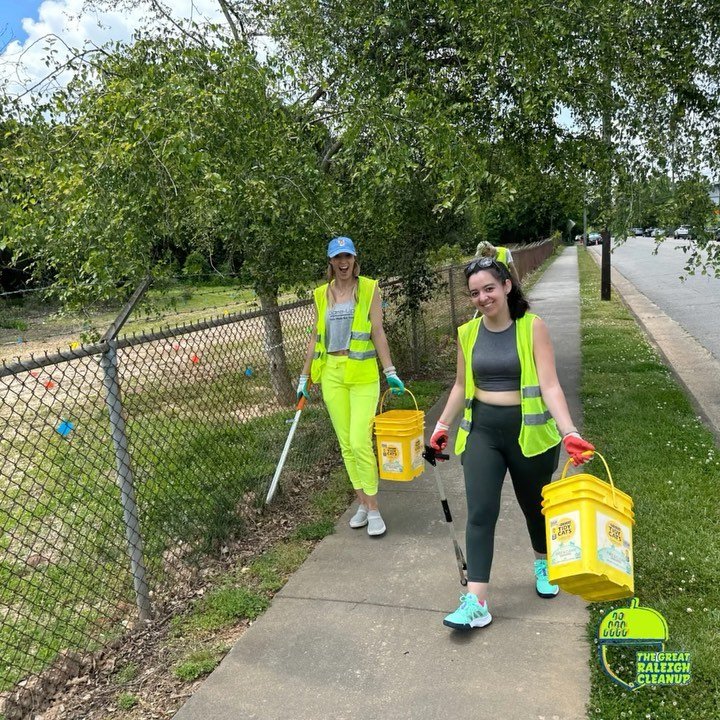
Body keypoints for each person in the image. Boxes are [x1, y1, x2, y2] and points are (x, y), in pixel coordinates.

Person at [429, 256, 594, 630]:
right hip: (482, 432)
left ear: (506, 286)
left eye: (489, 288)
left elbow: (550, 384)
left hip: (530, 435)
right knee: (481, 512)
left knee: (535, 508)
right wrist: (441, 426)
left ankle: (542, 561)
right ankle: (477, 601)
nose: (483, 298)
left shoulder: (532, 327)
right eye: (475, 292)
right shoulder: (467, 334)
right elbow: (460, 385)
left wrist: (569, 432)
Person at [297, 236, 405, 537]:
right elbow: (316, 337)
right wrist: (305, 377)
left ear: (355, 259)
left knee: (360, 442)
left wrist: (390, 370)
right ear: (330, 262)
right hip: (331, 373)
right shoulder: (321, 294)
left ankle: (373, 509)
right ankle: (362, 502)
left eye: (348, 256)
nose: (343, 262)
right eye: (337, 257)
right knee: (346, 445)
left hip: (362, 374)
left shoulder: (369, 288)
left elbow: (378, 331)